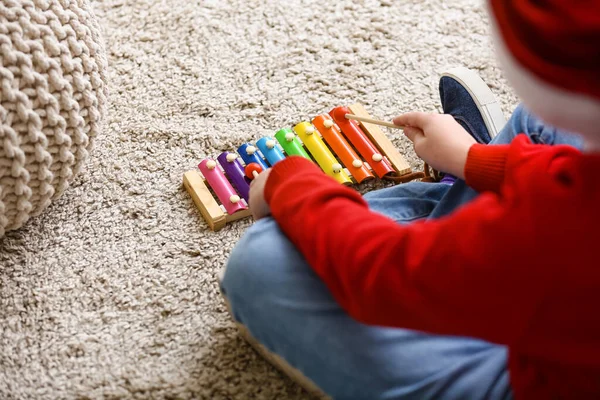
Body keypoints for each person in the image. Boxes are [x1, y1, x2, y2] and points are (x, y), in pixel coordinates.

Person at [219, 1, 600, 399]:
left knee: (262, 262)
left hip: (530, 367)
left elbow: (378, 273)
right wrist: (470, 159)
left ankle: (449, 215)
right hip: (565, 318)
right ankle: (458, 194)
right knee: (537, 125)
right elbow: (569, 176)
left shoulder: (556, 226)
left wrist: (289, 181)